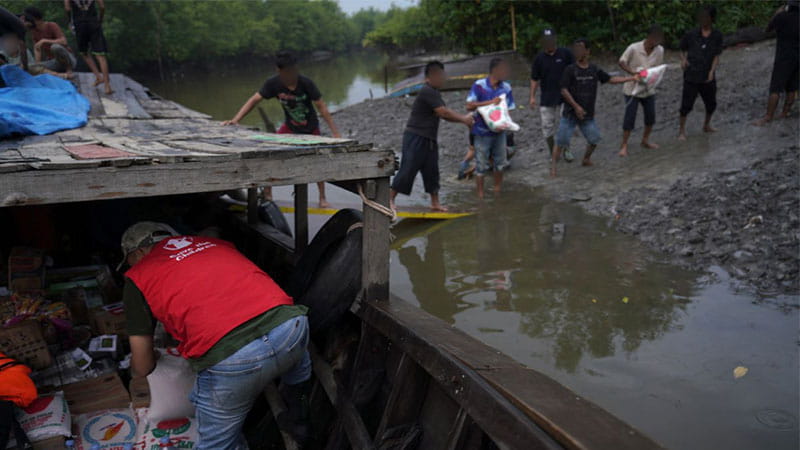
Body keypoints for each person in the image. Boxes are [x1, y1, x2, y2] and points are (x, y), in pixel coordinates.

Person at [119, 222, 312, 450]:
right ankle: (299, 419)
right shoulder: (214, 243)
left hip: (234, 360)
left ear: (139, 252)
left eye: (128, 260)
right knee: (297, 370)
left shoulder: (138, 276)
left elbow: (142, 366)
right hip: (291, 328)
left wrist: (132, 370)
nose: (129, 268)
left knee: (216, 445)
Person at [224, 51, 341, 208]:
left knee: (317, 161)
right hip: (289, 127)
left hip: (310, 128)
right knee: (268, 154)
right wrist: (236, 120)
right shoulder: (273, 83)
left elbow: (322, 107)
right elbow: (254, 100)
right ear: (279, 71)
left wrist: (335, 133)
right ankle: (268, 194)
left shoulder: (306, 83)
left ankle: (322, 198)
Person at [390, 61, 474, 212]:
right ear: (431, 76)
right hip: (415, 136)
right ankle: (389, 199)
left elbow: (443, 114)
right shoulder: (427, 91)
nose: (443, 78)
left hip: (428, 139)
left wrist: (463, 120)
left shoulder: (434, 92)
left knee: (432, 171)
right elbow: (443, 112)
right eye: (441, 75)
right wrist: (464, 119)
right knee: (408, 169)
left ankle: (435, 203)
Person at [551, 39, 637, 177]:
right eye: (575, 49)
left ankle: (586, 159)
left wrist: (631, 79)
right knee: (561, 141)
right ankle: (553, 168)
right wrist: (576, 106)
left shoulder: (594, 69)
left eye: (580, 49)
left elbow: (610, 79)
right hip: (570, 113)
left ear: (587, 51)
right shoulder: (570, 69)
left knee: (594, 139)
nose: (577, 52)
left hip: (587, 114)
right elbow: (563, 90)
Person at [466, 58, 515, 199]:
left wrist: (505, 123)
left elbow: (509, 109)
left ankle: (497, 192)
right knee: (481, 166)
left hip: (499, 133)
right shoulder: (479, 85)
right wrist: (491, 102)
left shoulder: (506, 87)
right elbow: (469, 106)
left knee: (500, 164)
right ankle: (480, 196)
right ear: (494, 70)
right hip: (481, 132)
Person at [618, 25, 664, 157]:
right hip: (631, 89)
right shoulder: (634, 48)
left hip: (648, 88)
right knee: (630, 117)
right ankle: (624, 145)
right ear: (649, 37)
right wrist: (633, 73)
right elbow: (621, 62)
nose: (657, 41)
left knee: (651, 116)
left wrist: (652, 78)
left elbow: (658, 68)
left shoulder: (660, 50)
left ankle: (645, 140)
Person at [678, 5, 723, 141]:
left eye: (706, 17)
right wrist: (683, 60)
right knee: (686, 105)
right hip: (691, 75)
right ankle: (681, 131)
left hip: (707, 75)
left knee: (711, 104)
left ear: (711, 19)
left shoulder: (717, 35)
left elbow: (716, 55)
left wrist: (711, 71)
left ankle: (706, 125)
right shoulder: (691, 34)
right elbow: (681, 48)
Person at [530, 28, 575, 160]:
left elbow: (574, 71)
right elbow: (534, 78)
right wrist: (532, 96)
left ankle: (566, 149)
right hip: (547, 97)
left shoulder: (565, 53)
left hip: (565, 95)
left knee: (564, 124)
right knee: (547, 126)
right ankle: (552, 151)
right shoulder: (539, 59)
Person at [754, 0, 798, 125]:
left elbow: (767, 29)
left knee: (775, 88)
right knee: (792, 87)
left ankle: (768, 116)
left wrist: (776, 13)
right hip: (797, 57)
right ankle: (785, 112)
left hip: (783, 57)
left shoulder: (781, 17)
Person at [65, 0, 112, 95]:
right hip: (93, 22)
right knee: (100, 55)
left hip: (79, 24)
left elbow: (67, 8)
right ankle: (107, 86)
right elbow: (102, 7)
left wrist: (70, 21)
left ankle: (98, 76)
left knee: (84, 52)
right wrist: (100, 19)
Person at [21, 7, 76, 76]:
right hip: (54, 62)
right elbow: (37, 49)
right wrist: (37, 65)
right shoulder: (34, 32)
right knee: (28, 66)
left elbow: (64, 41)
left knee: (55, 47)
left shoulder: (51, 25)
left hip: (69, 60)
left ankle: (69, 70)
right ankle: (61, 75)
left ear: (34, 19)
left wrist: (44, 41)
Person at [0, 7, 28, 73]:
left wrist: (25, 67)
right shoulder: (19, 27)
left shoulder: (19, 29)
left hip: (9, 32)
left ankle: (13, 70)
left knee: (12, 52)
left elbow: (22, 47)